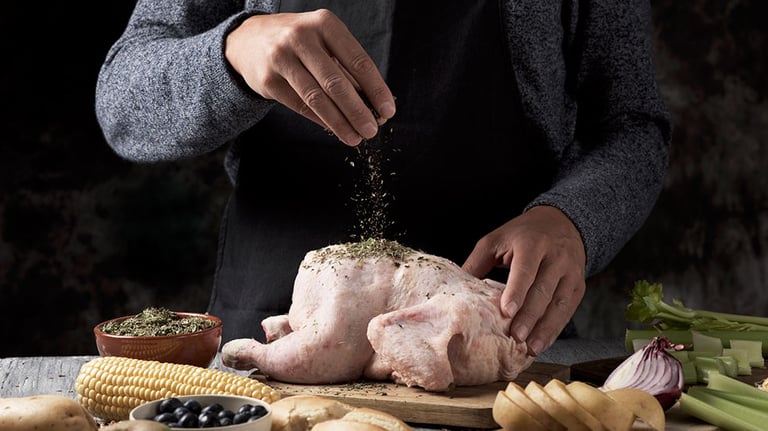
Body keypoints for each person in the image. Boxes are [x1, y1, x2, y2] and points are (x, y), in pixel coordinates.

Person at [95, 0, 671, 358]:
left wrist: (571, 218)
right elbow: (122, 102)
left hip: (493, 330)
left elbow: (631, 123)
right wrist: (231, 50)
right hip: (280, 333)